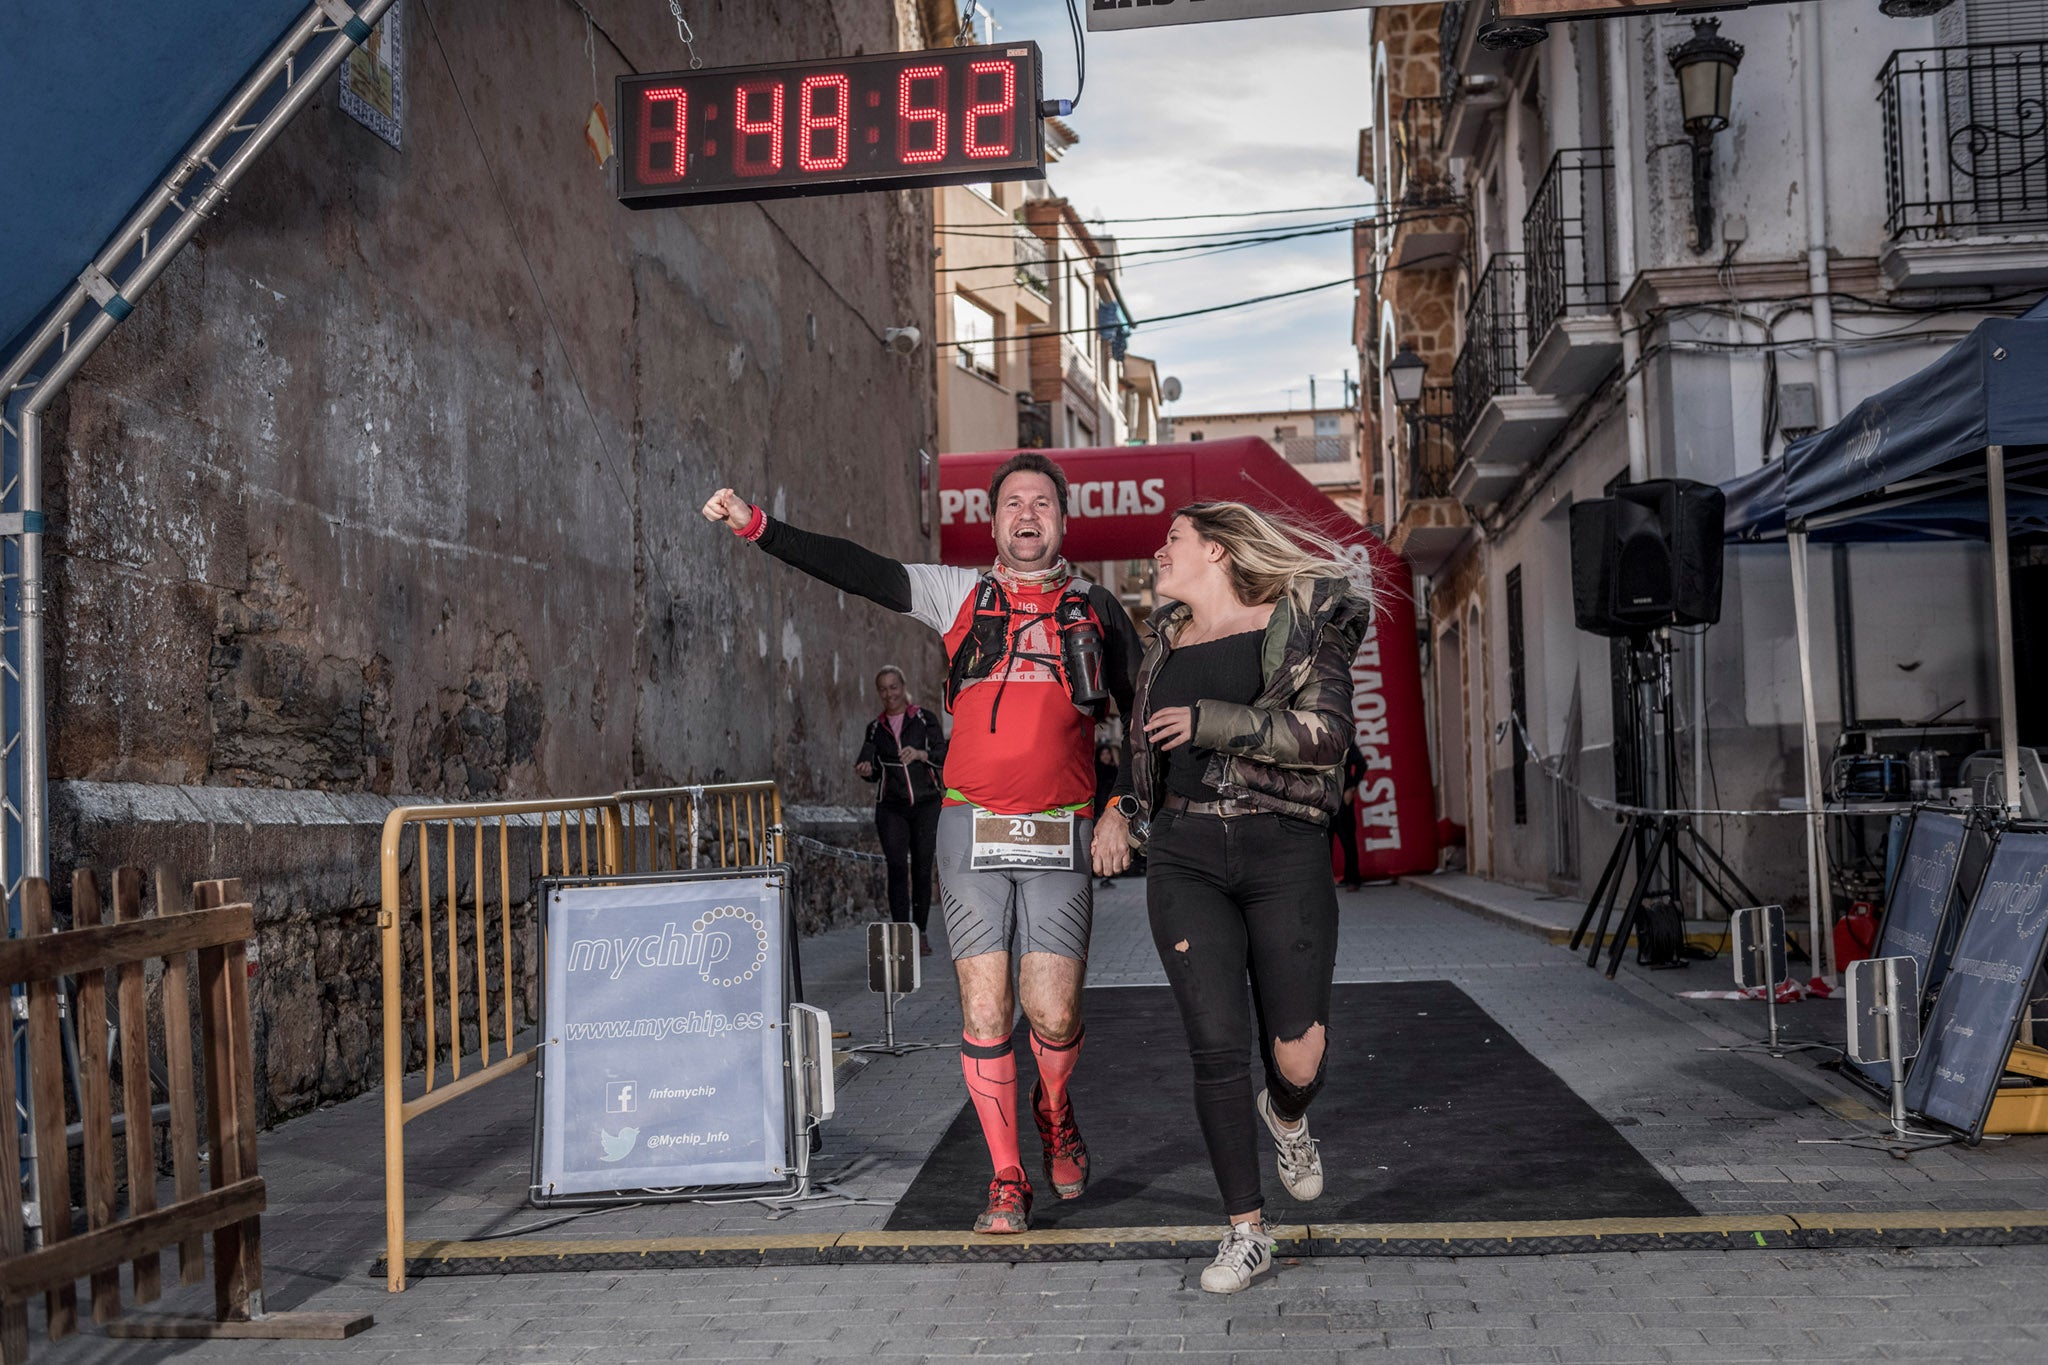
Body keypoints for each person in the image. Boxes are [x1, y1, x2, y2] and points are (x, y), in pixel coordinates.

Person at [702, 453, 1140, 1235]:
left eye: (1043, 502)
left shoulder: (1099, 608)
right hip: (969, 825)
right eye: (1013, 503)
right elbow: (861, 569)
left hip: (1060, 828)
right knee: (982, 1006)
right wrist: (758, 527)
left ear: (1063, 521)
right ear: (995, 520)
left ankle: (1054, 1104)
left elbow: (1143, 718)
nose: (1028, 514)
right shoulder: (960, 593)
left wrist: (1123, 810)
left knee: (1054, 1012)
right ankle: (1007, 1177)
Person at [1093, 501, 1371, 1294]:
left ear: (1215, 549)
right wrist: (1118, 807)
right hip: (1183, 855)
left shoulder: (1302, 621)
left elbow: (1327, 738)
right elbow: (1142, 747)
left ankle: (1287, 1114)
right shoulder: (1163, 645)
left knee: (1299, 1052)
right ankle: (1246, 1230)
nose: (1158, 550)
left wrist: (1214, 721)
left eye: (1172, 539)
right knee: (1214, 1042)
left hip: (1281, 846)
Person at [856, 665, 947, 953]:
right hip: (891, 808)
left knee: (921, 869)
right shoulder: (874, 728)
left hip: (925, 805)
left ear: (903, 686)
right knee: (896, 868)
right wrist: (865, 769)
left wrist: (920, 754)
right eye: (883, 689)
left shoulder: (923, 719)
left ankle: (919, 932)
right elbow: (871, 771)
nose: (889, 694)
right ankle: (900, 936)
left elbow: (943, 755)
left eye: (893, 687)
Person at [1330, 742, 1368, 891]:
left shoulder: (1345, 741)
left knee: (1347, 839)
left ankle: (1353, 878)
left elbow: (1361, 765)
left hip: (1343, 798)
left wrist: (1352, 789)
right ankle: (1327, 881)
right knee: (1325, 841)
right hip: (1325, 798)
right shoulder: (1317, 740)